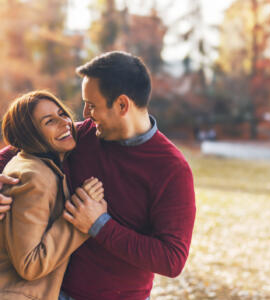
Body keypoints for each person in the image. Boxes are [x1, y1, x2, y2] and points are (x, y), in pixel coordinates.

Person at [0, 51, 196, 300]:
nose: (84, 114)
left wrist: (99, 224)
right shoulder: (84, 136)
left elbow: (172, 259)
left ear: (122, 105)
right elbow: (24, 146)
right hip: (52, 292)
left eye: (92, 105)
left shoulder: (171, 169)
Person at [0, 91, 105, 300]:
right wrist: (79, 218)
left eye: (62, 113)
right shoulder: (34, 177)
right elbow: (29, 264)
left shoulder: (39, 166)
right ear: (29, 134)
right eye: (49, 121)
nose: (65, 123)